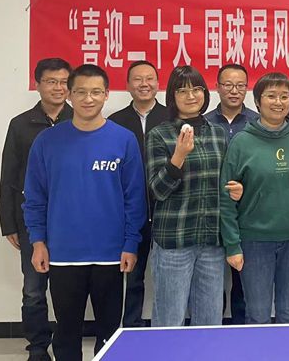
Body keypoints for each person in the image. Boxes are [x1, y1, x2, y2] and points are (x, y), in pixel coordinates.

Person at [23, 64, 146, 361]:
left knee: (109, 332)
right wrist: (38, 241)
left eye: (95, 92)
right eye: (80, 92)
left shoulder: (124, 139)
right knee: (66, 331)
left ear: (106, 94)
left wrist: (131, 243)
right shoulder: (47, 142)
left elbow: (135, 198)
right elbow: (35, 197)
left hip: (111, 254)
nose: (88, 99)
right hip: (63, 253)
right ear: (69, 95)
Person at [220, 72, 289, 324]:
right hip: (254, 242)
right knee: (257, 316)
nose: (278, 102)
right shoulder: (241, 142)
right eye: (271, 96)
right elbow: (226, 198)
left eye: (284, 96)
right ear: (257, 102)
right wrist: (232, 245)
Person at [146, 66, 237, 327]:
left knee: (210, 320)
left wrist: (236, 188)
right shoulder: (160, 134)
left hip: (211, 241)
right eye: (182, 90)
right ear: (172, 96)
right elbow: (157, 190)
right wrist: (179, 156)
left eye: (196, 89)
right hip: (174, 241)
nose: (191, 96)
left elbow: (224, 183)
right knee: (169, 320)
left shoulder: (218, 133)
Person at [0, 57, 72, 361]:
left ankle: (66, 341)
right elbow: (9, 175)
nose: (58, 88)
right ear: (38, 84)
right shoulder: (21, 124)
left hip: (70, 219)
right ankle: (38, 346)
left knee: (68, 287)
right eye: (51, 82)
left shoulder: (79, 120)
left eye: (64, 82)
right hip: (32, 220)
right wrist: (9, 224)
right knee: (33, 287)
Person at [108, 60, 167, 328]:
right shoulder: (115, 122)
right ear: (127, 85)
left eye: (150, 78)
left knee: (170, 275)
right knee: (131, 274)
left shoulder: (172, 118)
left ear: (158, 83)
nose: (144, 84)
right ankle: (129, 326)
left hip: (166, 209)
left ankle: (170, 327)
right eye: (138, 79)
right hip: (129, 212)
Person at [204, 63, 258, 324]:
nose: (234, 91)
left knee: (243, 279)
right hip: (211, 210)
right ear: (217, 87)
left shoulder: (257, 122)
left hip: (247, 212)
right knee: (210, 280)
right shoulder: (203, 122)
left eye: (240, 85)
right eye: (228, 85)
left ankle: (240, 328)